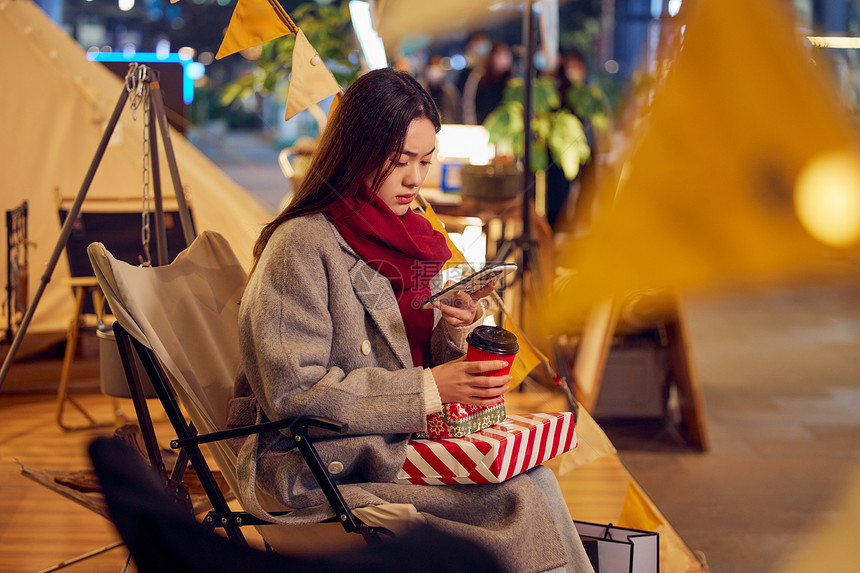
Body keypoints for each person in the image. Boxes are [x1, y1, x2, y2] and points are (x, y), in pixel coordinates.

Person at [227, 68, 594, 573]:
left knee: (535, 482)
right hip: (318, 464)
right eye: (400, 161)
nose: (415, 179)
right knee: (518, 500)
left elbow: (409, 357)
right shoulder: (303, 245)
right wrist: (431, 388)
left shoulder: (407, 236)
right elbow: (294, 395)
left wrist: (452, 327)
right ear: (354, 152)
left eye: (425, 161)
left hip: (389, 443)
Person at [462, 41, 513, 125]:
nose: (503, 59)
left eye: (506, 56)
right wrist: (472, 124)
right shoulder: (479, 77)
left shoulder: (511, 81)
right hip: (482, 125)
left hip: (504, 129)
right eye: (499, 55)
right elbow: (469, 103)